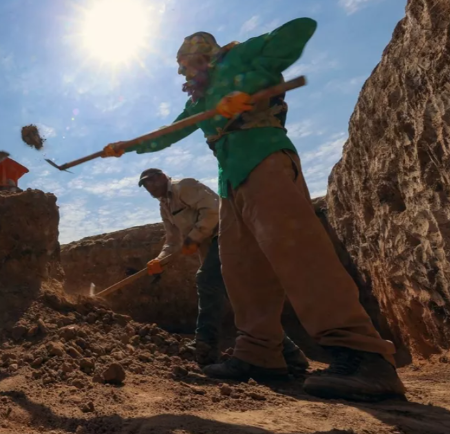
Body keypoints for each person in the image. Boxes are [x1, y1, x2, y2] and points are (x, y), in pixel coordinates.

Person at [105, 20, 405, 401]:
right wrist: (126, 145)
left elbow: (300, 29)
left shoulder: (238, 58)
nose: (185, 72)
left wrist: (245, 85)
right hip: (230, 180)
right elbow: (170, 132)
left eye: (188, 63)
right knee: (241, 268)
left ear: (205, 55)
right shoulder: (199, 100)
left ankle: (362, 355)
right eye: (182, 68)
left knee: (298, 252)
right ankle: (260, 354)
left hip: (264, 158)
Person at [138, 168, 309, 371]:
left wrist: (194, 236)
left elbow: (213, 210)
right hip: (212, 247)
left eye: (151, 182)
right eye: (145, 185)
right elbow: (173, 240)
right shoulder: (165, 206)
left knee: (206, 281)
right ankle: (292, 355)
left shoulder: (184, 186)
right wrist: (160, 260)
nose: (149, 188)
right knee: (240, 301)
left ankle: (205, 345)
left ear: (161, 177)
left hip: (228, 237)